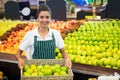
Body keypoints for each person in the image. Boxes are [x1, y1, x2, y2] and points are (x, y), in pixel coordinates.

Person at [15, 4, 72, 69]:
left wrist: (67, 58)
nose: (44, 20)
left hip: (51, 71)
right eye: (41, 17)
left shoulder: (56, 34)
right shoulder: (30, 35)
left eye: (47, 17)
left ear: (50, 18)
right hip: (35, 72)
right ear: (38, 19)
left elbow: (63, 51)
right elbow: (18, 52)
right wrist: (19, 60)